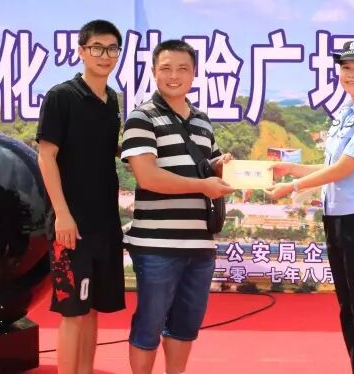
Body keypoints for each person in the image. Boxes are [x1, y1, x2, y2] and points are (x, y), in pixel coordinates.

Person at [266, 40, 354, 374]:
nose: (350, 74)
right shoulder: (346, 113)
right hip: (337, 220)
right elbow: (331, 167)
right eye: (346, 68)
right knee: (348, 309)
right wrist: (291, 169)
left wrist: (292, 187)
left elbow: (344, 169)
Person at [120, 39, 234, 374]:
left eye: (183, 69)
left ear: (194, 73)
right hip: (156, 245)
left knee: (185, 325)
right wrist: (203, 185)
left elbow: (208, 169)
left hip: (199, 244)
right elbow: (148, 177)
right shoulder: (141, 118)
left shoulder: (202, 121)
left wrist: (223, 168)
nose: (174, 76)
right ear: (154, 72)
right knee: (149, 324)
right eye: (166, 68)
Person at [36, 19, 125, 374]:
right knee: (72, 312)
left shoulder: (111, 99)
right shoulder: (62, 96)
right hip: (70, 225)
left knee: (91, 309)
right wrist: (62, 214)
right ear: (81, 51)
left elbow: (107, 151)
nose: (105, 55)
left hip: (105, 222)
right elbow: (46, 156)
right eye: (97, 48)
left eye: (112, 48)